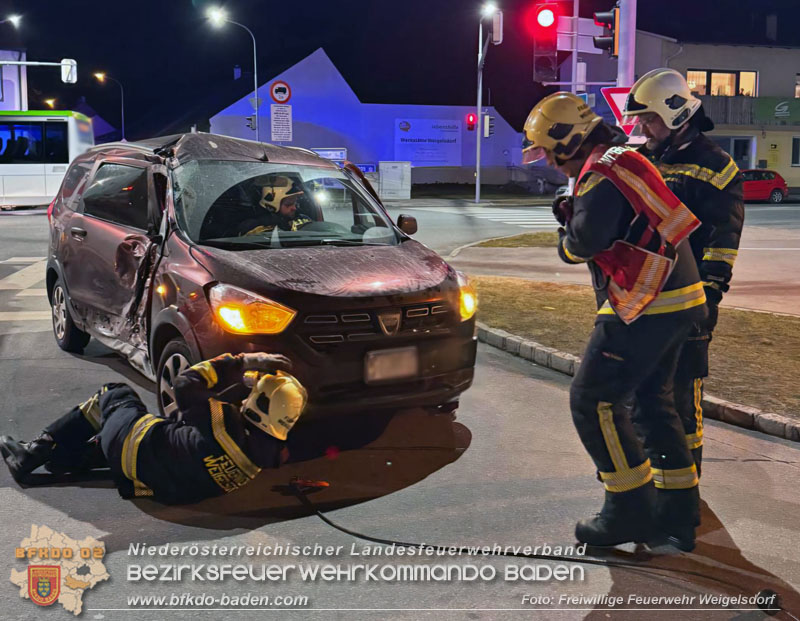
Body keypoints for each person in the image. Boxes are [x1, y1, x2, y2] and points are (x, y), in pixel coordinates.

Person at [523, 92, 707, 550]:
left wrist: (564, 228)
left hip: (648, 303)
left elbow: (583, 244)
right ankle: (677, 514)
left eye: (547, 150)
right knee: (652, 402)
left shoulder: (598, 176)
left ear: (567, 140)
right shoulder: (622, 155)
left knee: (593, 400)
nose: (547, 162)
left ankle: (628, 511)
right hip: (679, 298)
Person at [623, 69, 745, 480]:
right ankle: (647, 481)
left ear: (676, 113)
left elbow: (724, 237)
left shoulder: (717, 165)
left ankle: (684, 485)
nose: (643, 126)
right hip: (642, 300)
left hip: (687, 302)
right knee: (639, 395)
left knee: (679, 399)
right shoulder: (646, 159)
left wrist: (709, 296)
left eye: (650, 118)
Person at [0, 353, 307, 505]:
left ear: (260, 404)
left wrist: (242, 362)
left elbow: (186, 383)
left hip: (129, 450)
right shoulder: (265, 459)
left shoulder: (223, 422)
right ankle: (69, 460)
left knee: (116, 395)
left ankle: (32, 453)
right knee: (168, 434)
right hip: (145, 486)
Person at [238, 175, 312, 236]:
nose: (294, 208)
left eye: (295, 203)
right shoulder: (255, 230)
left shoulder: (303, 221)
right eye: (288, 204)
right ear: (272, 206)